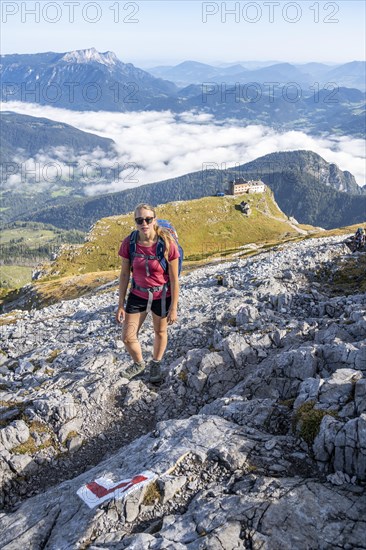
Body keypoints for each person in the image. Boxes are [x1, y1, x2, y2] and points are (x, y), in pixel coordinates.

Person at [115, 203, 180, 383]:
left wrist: (173, 307)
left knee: (160, 331)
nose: (144, 223)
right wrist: (121, 303)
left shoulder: (166, 243)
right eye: (139, 220)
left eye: (148, 219)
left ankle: (156, 363)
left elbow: (174, 279)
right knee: (127, 337)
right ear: (135, 222)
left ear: (154, 220)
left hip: (162, 295)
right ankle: (139, 363)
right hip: (137, 294)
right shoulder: (129, 243)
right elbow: (124, 274)